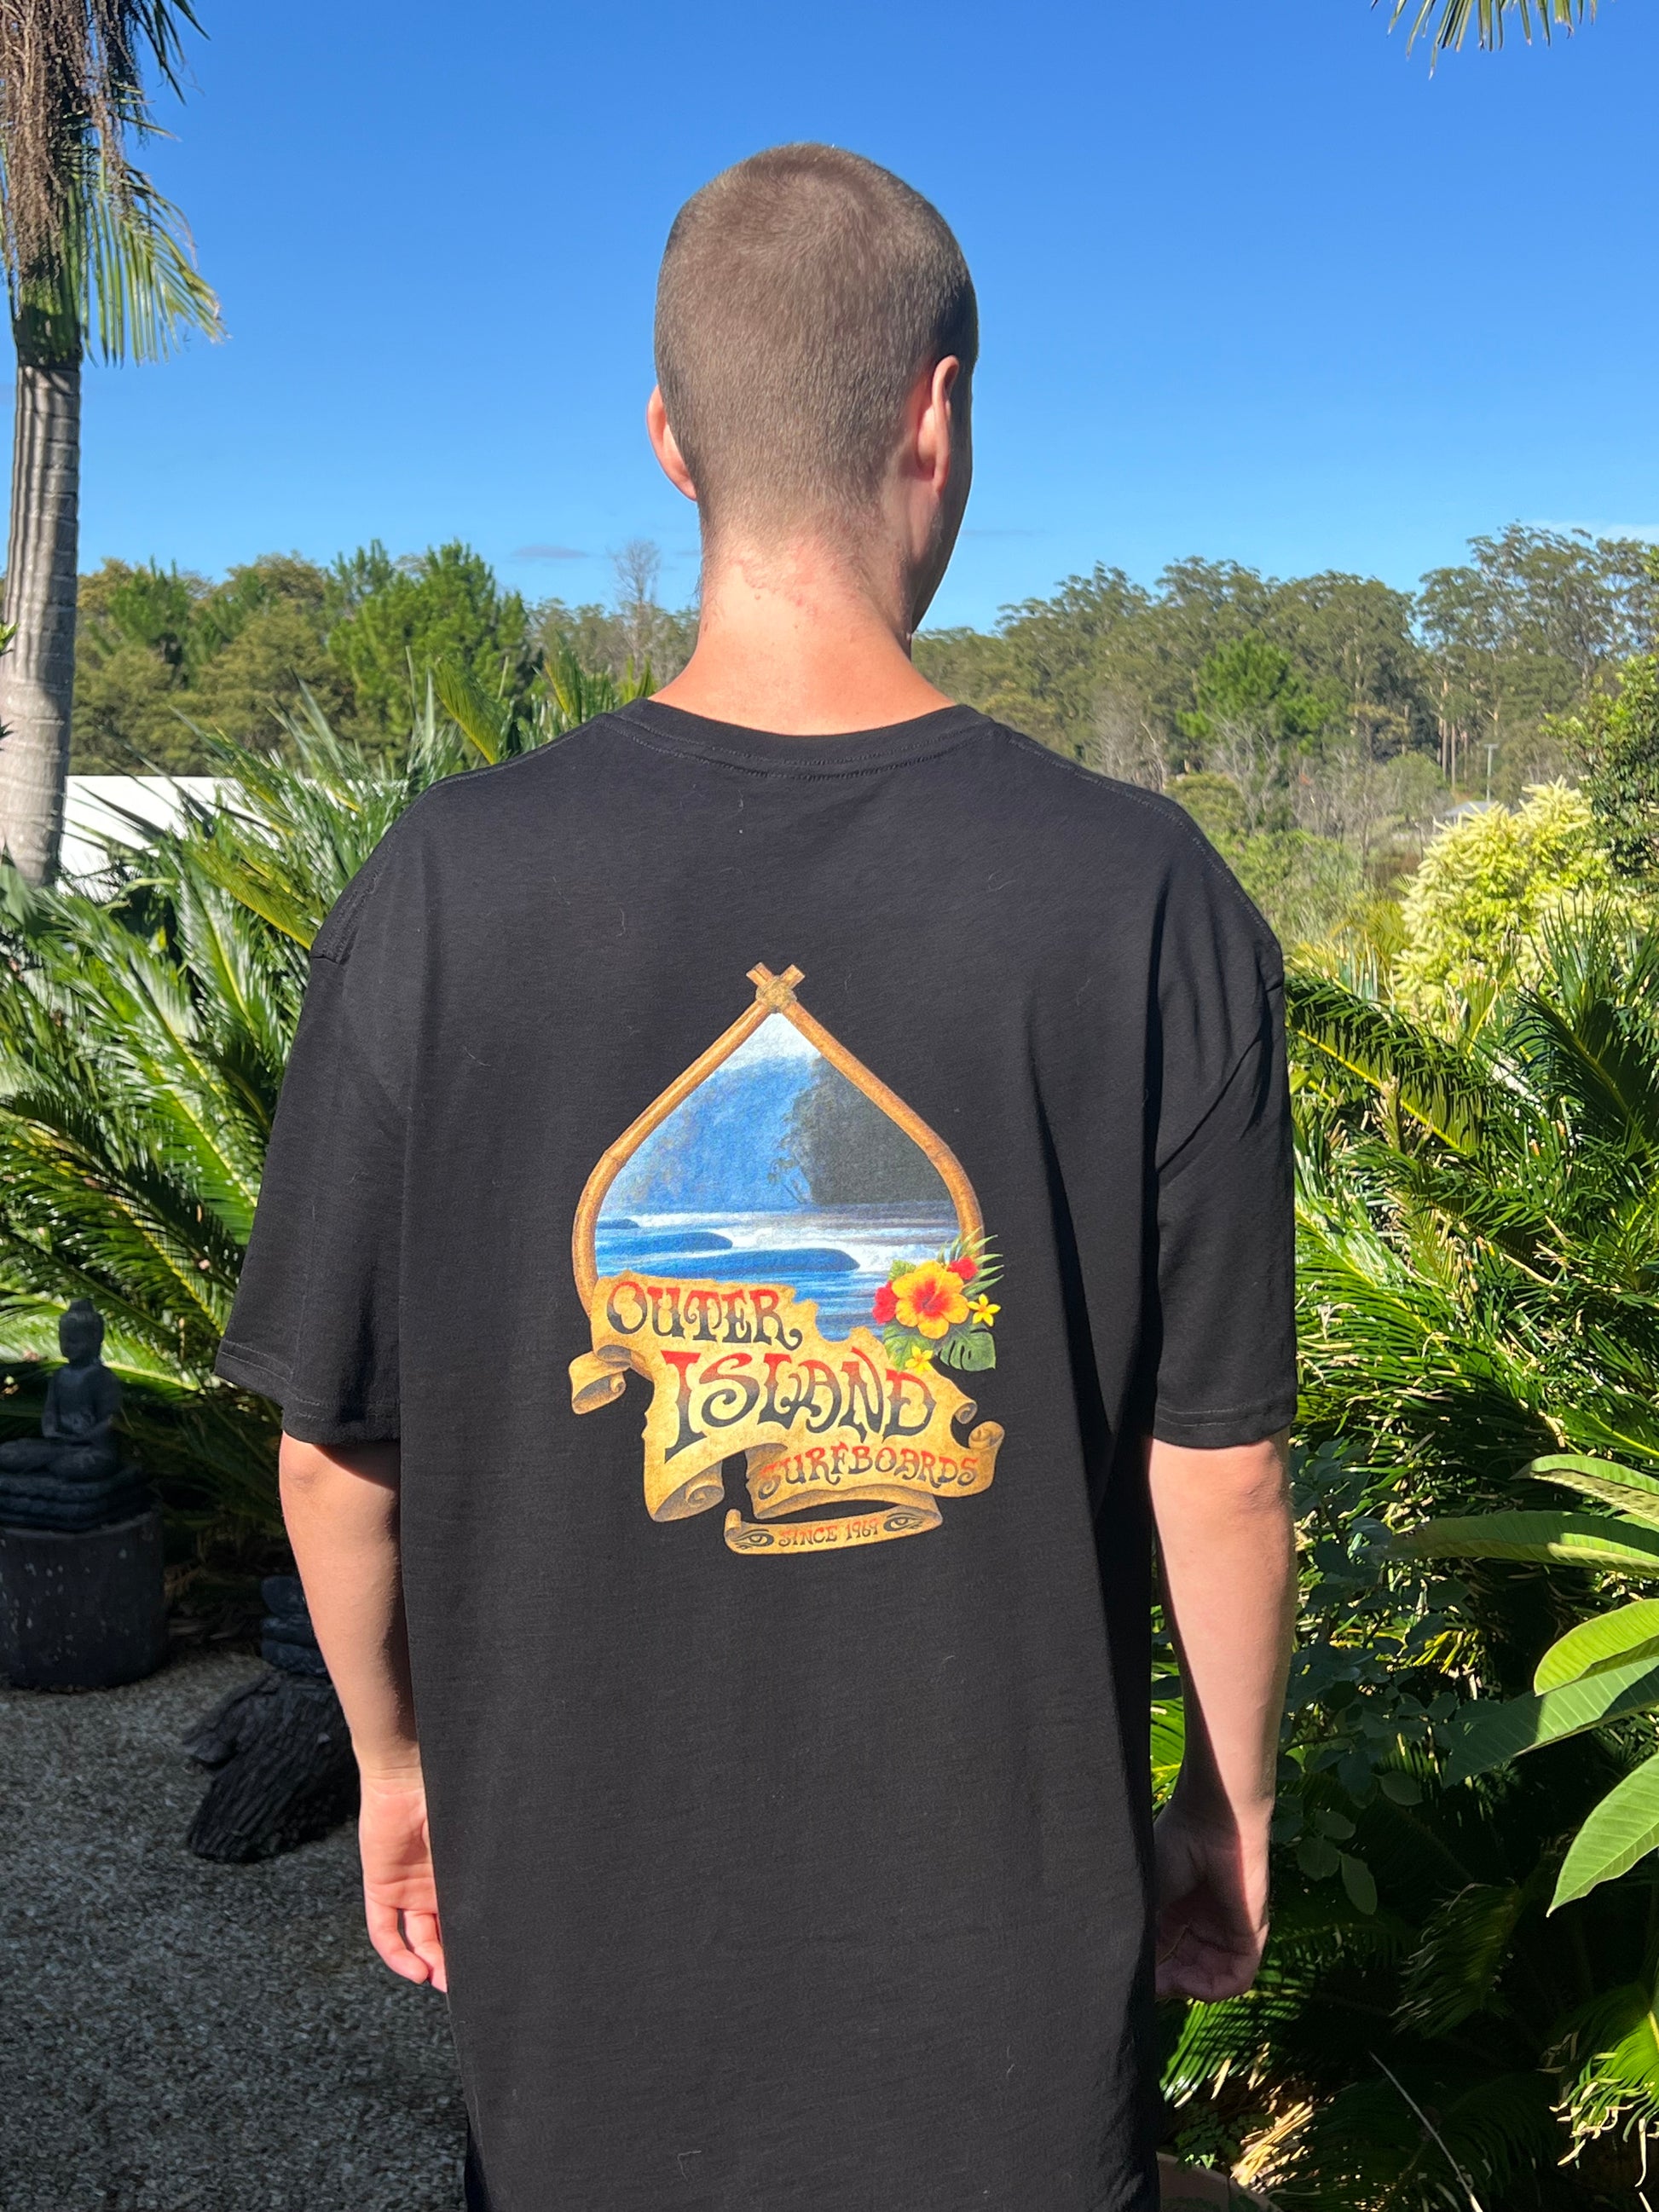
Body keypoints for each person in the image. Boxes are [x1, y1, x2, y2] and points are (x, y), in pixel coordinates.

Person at [217, 144, 1297, 2212]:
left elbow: (334, 1454)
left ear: (667, 436)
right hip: (1001, 2020)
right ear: (937, 414)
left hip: (585, 2004)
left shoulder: (446, 887)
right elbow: (1222, 1468)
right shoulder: (1139, 894)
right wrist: (1220, 1805)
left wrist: (400, 1765)